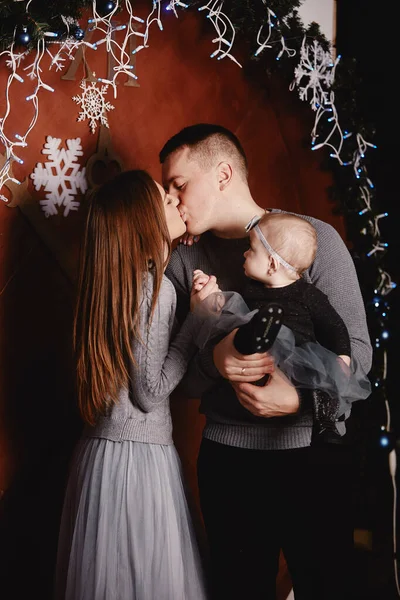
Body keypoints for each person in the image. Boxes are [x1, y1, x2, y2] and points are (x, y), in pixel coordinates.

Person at [160, 124, 373, 600]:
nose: (172, 200)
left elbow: (357, 355)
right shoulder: (183, 263)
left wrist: (299, 398)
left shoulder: (313, 240)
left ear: (223, 173)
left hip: (311, 457)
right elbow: (177, 385)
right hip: (228, 461)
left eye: (179, 184)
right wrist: (215, 358)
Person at [54, 170, 216, 600]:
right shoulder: (156, 289)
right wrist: (199, 321)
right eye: (165, 200)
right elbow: (150, 391)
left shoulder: (114, 286)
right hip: (138, 463)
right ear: (144, 223)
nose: (177, 201)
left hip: (100, 457)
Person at [191, 211, 371, 445]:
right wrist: (212, 295)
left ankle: (325, 426)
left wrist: (343, 358)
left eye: (251, 249)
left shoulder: (307, 294)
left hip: (301, 356)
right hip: (263, 356)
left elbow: (334, 326)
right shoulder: (252, 290)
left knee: (325, 385)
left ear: (272, 264)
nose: (244, 253)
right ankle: (250, 337)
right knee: (233, 311)